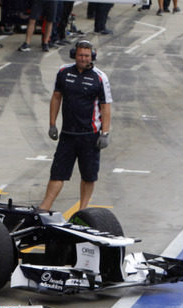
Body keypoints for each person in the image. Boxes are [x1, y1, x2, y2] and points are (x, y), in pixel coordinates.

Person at [38, 40, 111, 212]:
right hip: (68, 134)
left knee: (88, 175)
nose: (83, 59)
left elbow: (105, 107)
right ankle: (45, 206)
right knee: (58, 172)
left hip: (90, 135)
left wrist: (105, 133)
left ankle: (83, 209)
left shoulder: (100, 77)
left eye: (86, 56)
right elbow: (56, 97)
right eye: (80, 55)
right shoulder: (63, 72)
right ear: (74, 55)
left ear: (92, 57)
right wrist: (52, 124)